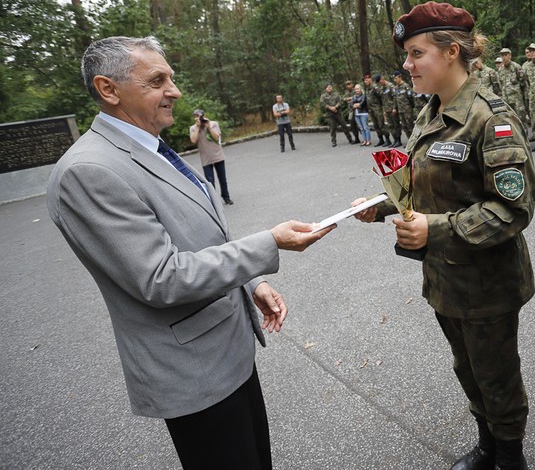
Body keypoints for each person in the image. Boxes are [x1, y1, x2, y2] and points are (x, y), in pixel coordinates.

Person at [46, 36, 334, 470]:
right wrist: (269, 242)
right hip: (193, 372)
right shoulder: (89, 171)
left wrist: (251, 281)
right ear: (109, 90)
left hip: (227, 351)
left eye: (172, 78)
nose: (175, 91)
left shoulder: (149, 147)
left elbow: (199, 236)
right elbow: (160, 278)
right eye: (157, 80)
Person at [354, 2, 535, 470]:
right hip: (444, 279)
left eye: (416, 53)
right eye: (407, 55)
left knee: (496, 377)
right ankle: (488, 446)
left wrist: (431, 229)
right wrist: (376, 207)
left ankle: (511, 456)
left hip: (487, 282)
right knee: (468, 371)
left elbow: (511, 209)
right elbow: (422, 186)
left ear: (451, 51)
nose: (406, 64)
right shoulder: (432, 112)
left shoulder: (489, 119)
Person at [189, 108, 233, 205]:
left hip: (218, 155)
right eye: (196, 116)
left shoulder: (213, 124)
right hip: (205, 157)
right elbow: (193, 140)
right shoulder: (193, 128)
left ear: (204, 115)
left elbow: (217, 137)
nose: (199, 118)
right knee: (210, 181)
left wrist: (208, 127)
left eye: (200, 116)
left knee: (222, 179)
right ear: (194, 118)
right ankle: (215, 201)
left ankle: (226, 197)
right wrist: (197, 127)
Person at [498, 47, 529, 128]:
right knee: (509, 120)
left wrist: (524, 98)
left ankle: (524, 137)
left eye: (505, 55)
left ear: (510, 56)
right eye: (502, 55)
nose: (504, 57)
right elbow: (501, 84)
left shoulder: (516, 67)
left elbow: (523, 83)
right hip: (506, 99)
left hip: (517, 99)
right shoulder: (500, 69)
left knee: (521, 119)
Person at [365, 74, 389, 146]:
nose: (366, 81)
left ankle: (387, 139)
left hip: (377, 109)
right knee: (376, 126)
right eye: (365, 80)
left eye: (367, 80)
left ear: (370, 80)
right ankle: (380, 139)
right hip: (371, 110)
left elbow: (381, 96)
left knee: (381, 124)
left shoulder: (375, 87)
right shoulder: (367, 89)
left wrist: (383, 107)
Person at [392, 70, 416, 142]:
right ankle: (409, 141)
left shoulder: (406, 86)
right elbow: (395, 99)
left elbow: (411, 98)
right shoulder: (396, 88)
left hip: (407, 110)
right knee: (404, 126)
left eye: (396, 78)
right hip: (400, 110)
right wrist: (394, 108)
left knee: (410, 126)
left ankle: (414, 142)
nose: (395, 80)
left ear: (400, 77)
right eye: (394, 78)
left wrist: (410, 107)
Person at [380, 74, 402, 147]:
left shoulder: (390, 86)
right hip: (387, 109)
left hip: (392, 109)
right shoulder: (382, 88)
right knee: (390, 126)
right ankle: (395, 140)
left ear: (383, 79)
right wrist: (384, 110)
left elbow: (395, 97)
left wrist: (394, 108)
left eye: (380, 81)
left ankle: (398, 140)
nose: (380, 83)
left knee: (396, 125)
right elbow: (383, 100)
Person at [342, 80, 361, 144]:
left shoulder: (355, 90)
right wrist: (348, 99)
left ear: (352, 84)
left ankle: (365, 138)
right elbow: (343, 99)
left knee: (360, 124)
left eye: (349, 84)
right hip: (351, 111)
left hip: (358, 109)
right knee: (352, 124)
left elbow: (358, 96)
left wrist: (350, 98)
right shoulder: (346, 92)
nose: (348, 86)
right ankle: (356, 138)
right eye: (347, 85)